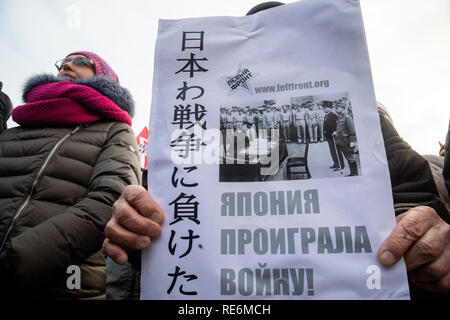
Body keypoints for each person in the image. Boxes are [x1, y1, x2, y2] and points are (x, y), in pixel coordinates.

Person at [102, 2, 450, 299]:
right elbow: (173, 211)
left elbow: (413, 196)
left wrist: (419, 239)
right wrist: (138, 225)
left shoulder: (366, 116)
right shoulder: (200, 127)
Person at [0, 51, 141, 299]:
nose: (67, 64)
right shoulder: (16, 128)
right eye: (63, 61)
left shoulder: (114, 129)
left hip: (63, 287)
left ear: (103, 77)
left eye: (80, 62)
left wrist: (14, 261)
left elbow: (110, 200)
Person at [323, 100, 344, 171]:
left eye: (326, 108)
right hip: (329, 136)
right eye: (324, 108)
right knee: (332, 151)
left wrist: (335, 131)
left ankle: (340, 166)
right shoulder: (327, 115)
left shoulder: (333, 115)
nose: (324, 109)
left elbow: (337, 125)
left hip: (334, 136)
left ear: (330, 108)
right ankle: (335, 163)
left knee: (336, 150)